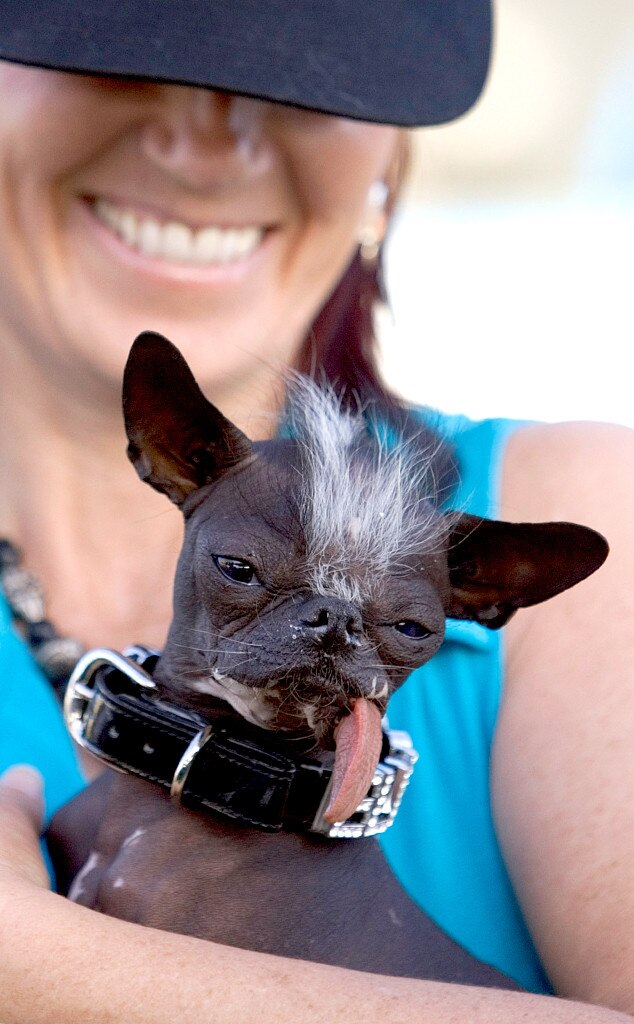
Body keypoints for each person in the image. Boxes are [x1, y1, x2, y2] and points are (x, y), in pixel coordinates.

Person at [0, 2, 632, 1021]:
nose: (204, 145)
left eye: (302, 79)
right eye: (116, 53)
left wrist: (37, 966)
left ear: (391, 155)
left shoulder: (582, 495)